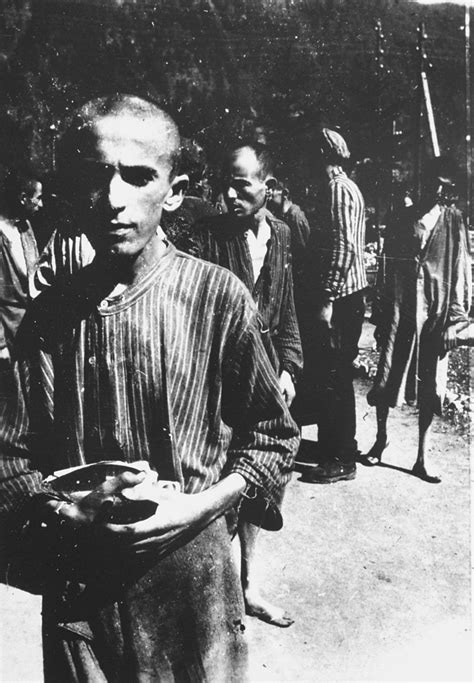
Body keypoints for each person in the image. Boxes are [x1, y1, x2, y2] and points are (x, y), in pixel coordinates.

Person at [0, 95, 299, 682]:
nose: (113, 199)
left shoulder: (218, 297)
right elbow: (11, 460)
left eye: (139, 178)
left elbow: (270, 438)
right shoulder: (48, 319)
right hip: (82, 591)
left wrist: (196, 507)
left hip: (194, 586)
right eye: (93, 177)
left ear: (176, 190)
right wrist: (69, 512)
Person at [196, 143, 303, 628]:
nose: (230, 194)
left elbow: (288, 312)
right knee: (219, 479)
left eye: (242, 185)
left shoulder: (281, 236)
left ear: (268, 188)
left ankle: (248, 588)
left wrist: (289, 370)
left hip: (270, 380)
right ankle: (210, 594)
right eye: (226, 183)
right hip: (224, 378)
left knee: (261, 482)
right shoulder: (211, 238)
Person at [364, 159, 471, 482]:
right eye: (434, 182)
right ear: (424, 182)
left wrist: (456, 320)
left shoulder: (454, 222)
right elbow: (386, 265)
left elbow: (461, 271)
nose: (438, 190)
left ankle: (422, 457)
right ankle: (381, 439)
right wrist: (382, 311)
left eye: (444, 185)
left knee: (430, 384)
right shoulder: (403, 216)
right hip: (401, 308)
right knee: (386, 375)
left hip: (435, 314)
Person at [293, 128, 367, 484]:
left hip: (339, 299)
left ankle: (342, 457)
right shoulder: (340, 187)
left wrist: (326, 299)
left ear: (323, 155)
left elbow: (342, 249)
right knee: (329, 374)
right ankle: (332, 447)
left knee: (335, 376)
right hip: (342, 297)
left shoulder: (338, 189)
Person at [0, 169, 42, 367]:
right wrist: (0, 345)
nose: (41, 205)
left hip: (30, 331)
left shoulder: (25, 228)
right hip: (9, 337)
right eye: (38, 198)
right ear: (23, 198)